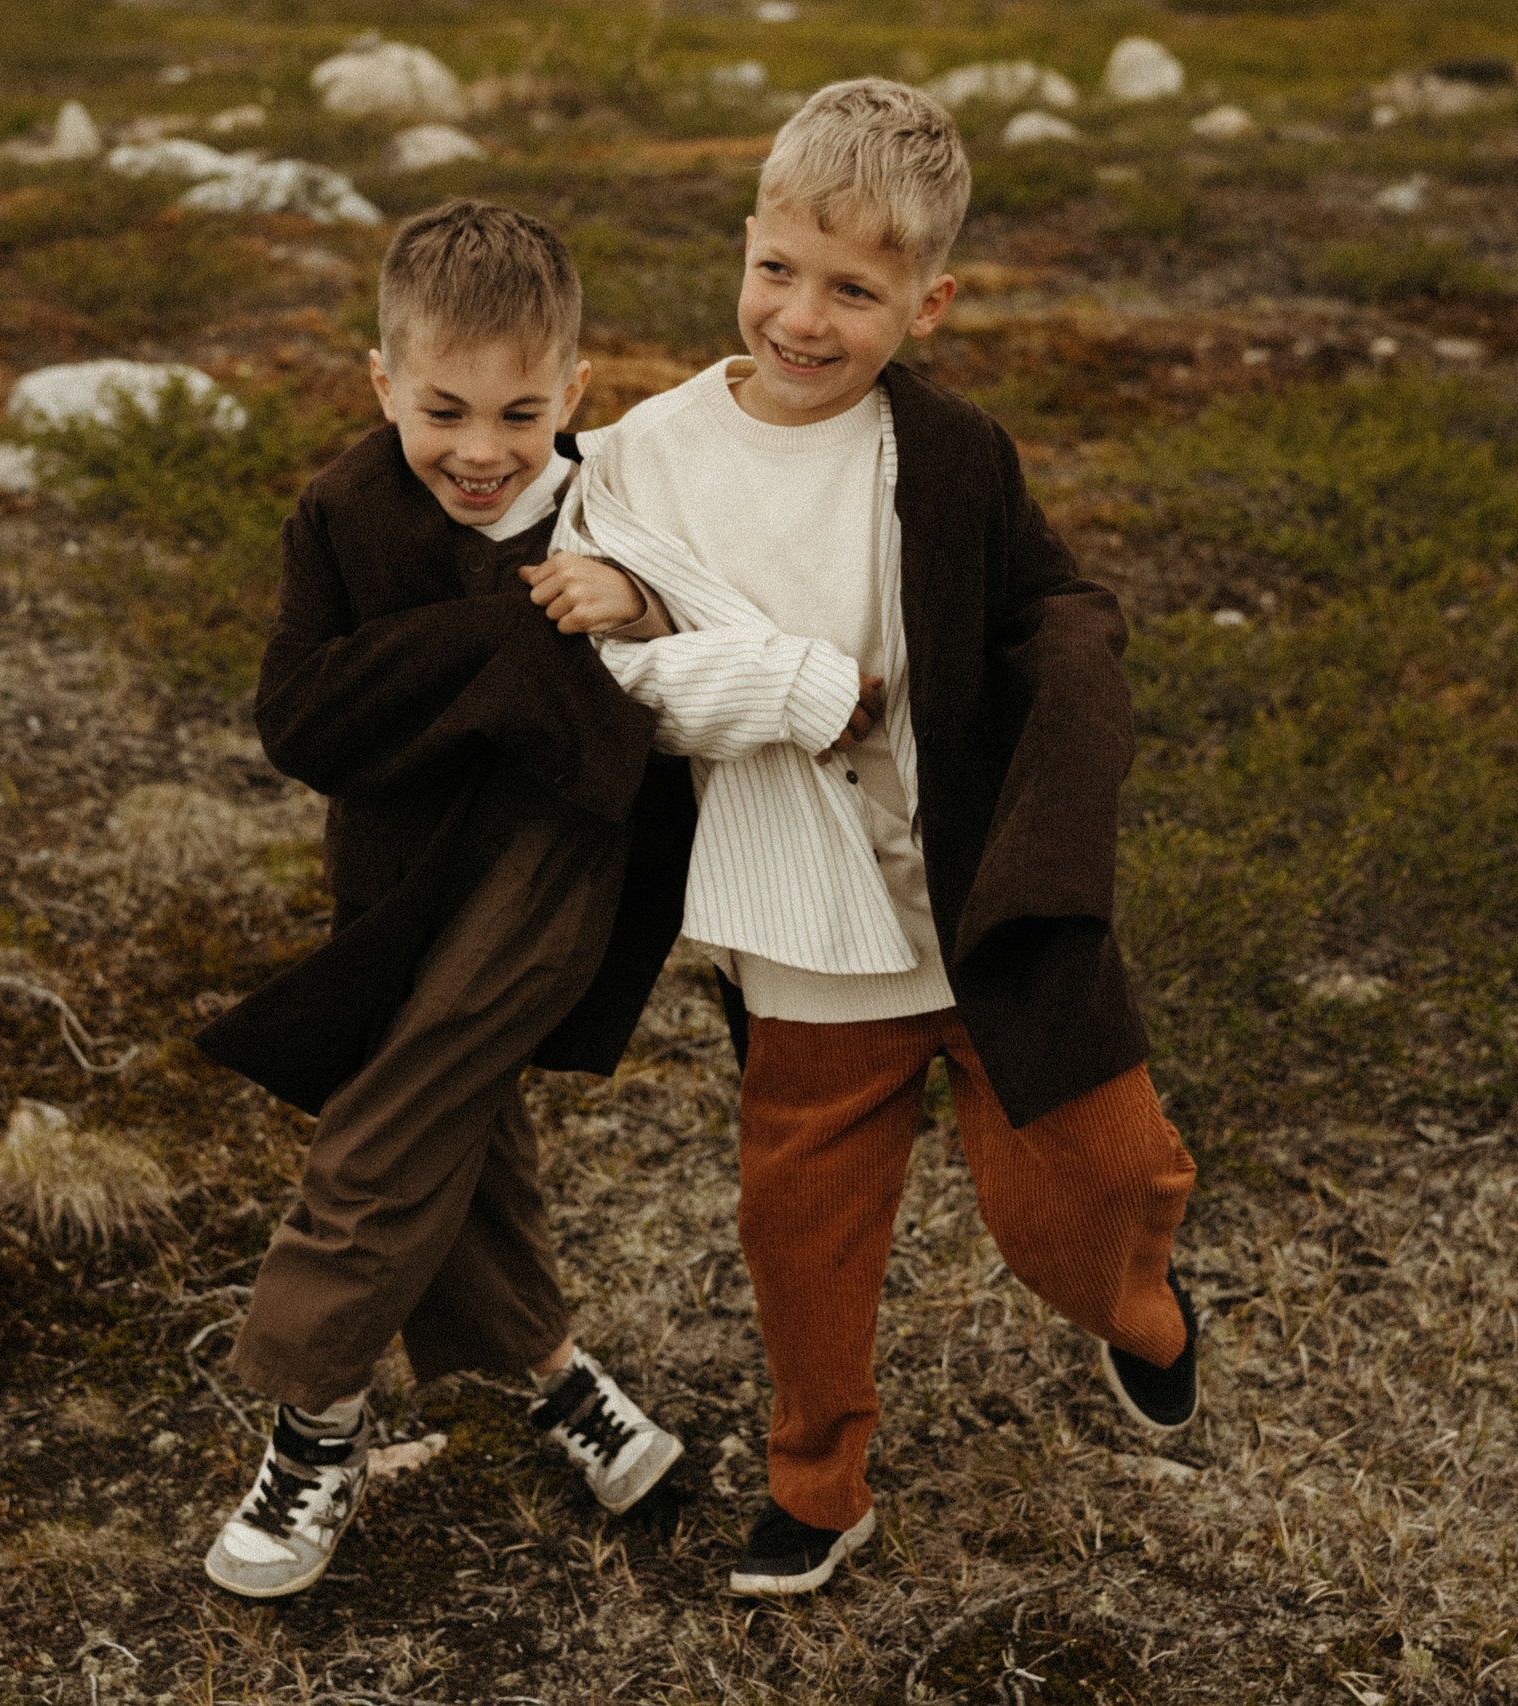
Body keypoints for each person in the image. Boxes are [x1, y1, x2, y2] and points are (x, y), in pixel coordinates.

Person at [535, 79, 1201, 1599]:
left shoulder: (951, 451)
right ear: (745, 245)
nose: (804, 318)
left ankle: (1149, 1308)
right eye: (780, 269)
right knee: (805, 1233)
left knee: (1088, 1188)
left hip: (981, 904)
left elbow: (1052, 609)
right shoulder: (645, 460)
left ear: (931, 300)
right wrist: (785, 680)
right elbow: (615, 674)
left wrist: (1068, 720)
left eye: (855, 289)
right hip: (807, 927)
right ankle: (818, 1480)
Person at [192, 198, 693, 1600]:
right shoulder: (342, 512)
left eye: (522, 413)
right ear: (382, 383)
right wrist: (496, 645)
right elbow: (299, 718)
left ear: (575, 393)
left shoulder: (613, 501)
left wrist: (637, 605)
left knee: (396, 1107)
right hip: (399, 875)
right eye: (443, 410)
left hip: (556, 863)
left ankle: (315, 1418)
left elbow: (687, 641)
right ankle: (550, 1367)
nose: (482, 451)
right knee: (463, 1110)